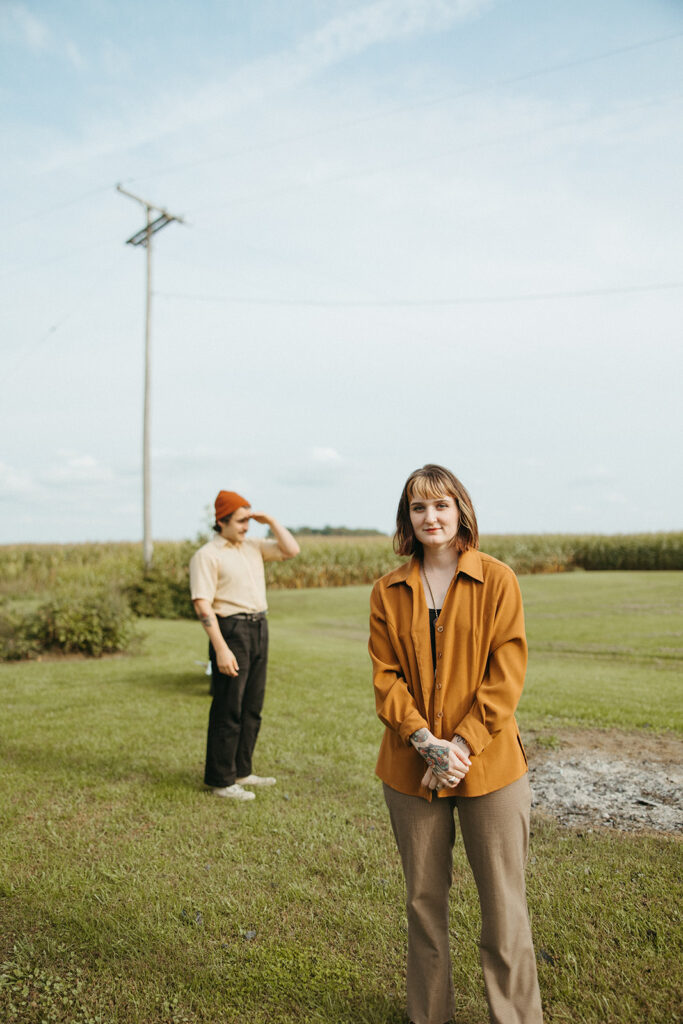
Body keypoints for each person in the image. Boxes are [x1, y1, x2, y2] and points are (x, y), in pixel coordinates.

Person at [369, 464, 543, 1024]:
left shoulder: (498, 580)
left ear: (460, 511)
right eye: (419, 508)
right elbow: (385, 678)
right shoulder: (388, 591)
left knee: (504, 911)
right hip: (410, 767)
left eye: (440, 505)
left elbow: (506, 673)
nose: (431, 517)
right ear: (407, 518)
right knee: (424, 906)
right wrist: (426, 743)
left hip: (491, 766)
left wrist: (461, 747)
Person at [190, 490, 299, 801]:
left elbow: (292, 550)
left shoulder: (252, 547)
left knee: (252, 705)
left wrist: (271, 521)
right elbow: (202, 605)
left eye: (248, 521)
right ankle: (221, 781)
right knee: (228, 707)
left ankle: (242, 770)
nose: (246, 527)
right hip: (231, 630)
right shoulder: (207, 555)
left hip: (259, 627)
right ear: (221, 521)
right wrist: (221, 649)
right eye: (240, 521)